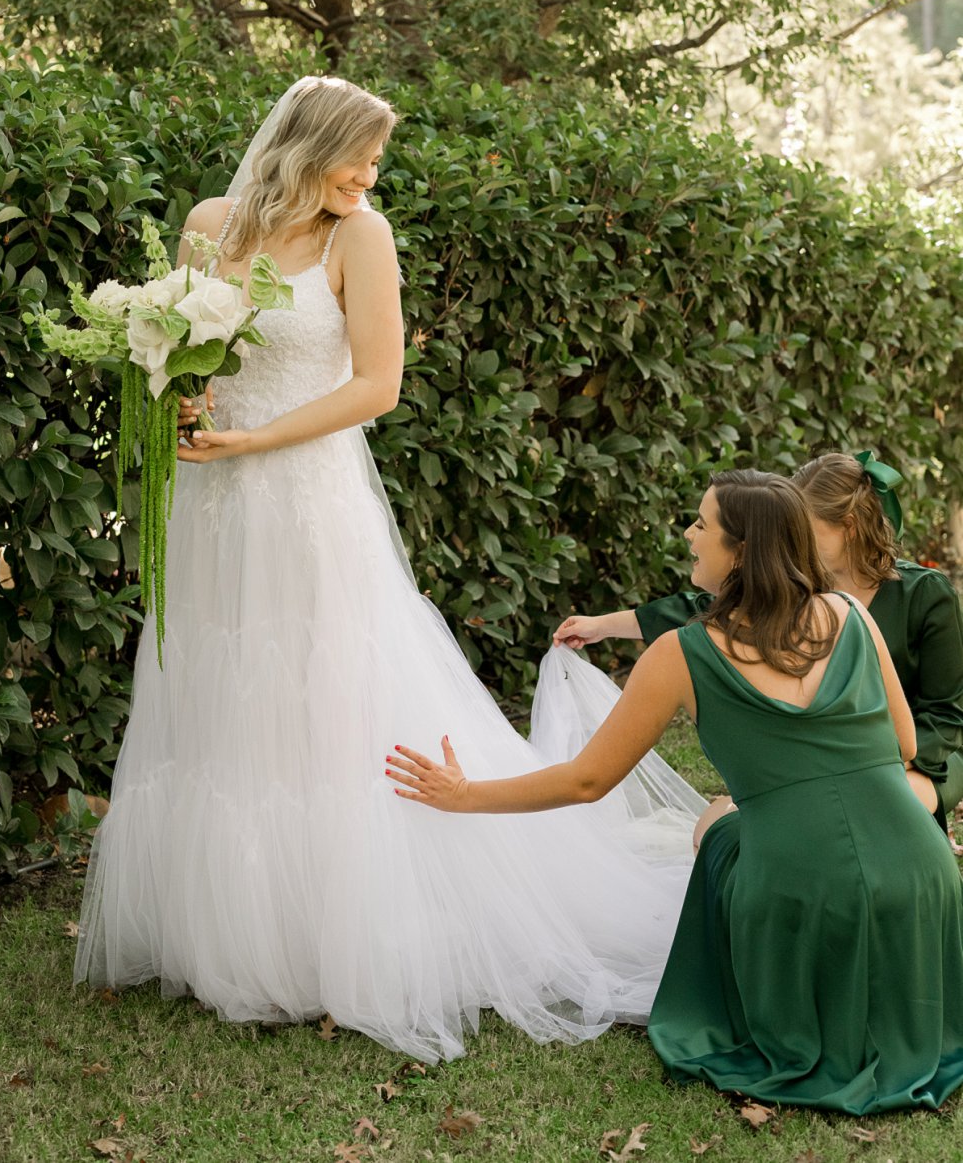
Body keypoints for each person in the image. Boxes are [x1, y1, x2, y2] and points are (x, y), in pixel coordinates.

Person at [74, 75, 702, 1063]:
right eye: (358, 156)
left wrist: (260, 438)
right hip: (216, 506)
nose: (370, 174)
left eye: (377, 159)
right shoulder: (207, 225)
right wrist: (184, 403)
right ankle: (225, 926)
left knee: (324, 698)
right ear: (307, 146)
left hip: (306, 500)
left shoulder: (359, 237)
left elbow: (379, 384)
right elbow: (181, 354)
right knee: (222, 693)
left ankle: (327, 933)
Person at [389, 471, 963, 1113]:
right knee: (733, 820)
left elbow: (586, 780)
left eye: (701, 523)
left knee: (717, 828)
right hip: (924, 879)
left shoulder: (680, 654)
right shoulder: (851, 613)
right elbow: (905, 746)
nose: (689, 534)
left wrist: (465, 793)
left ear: (740, 552)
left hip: (804, 898)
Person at [555, 451, 963, 827]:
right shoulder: (803, 586)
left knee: (886, 806)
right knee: (723, 825)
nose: (790, 540)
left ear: (849, 528)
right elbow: (705, 608)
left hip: (924, 758)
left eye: (804, 529)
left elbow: (945, 716)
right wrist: (601, 626)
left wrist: (883, 765)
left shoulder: (924, 595)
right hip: (827, 765)